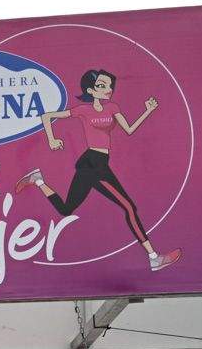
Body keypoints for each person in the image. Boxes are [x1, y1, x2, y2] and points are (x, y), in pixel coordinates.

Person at [16, 68, 181, 272]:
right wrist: (52, 139)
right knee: (129, 207)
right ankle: (154, 258)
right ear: (91, 90)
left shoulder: (112, 107)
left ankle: (38, 179)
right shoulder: (83, 110)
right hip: (93, 164)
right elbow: (47, 117)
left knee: (66, 209)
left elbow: (129, 129)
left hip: (98, 163)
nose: (108, 90)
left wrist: (148, 110)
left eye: (110, 86)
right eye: (102, 86)